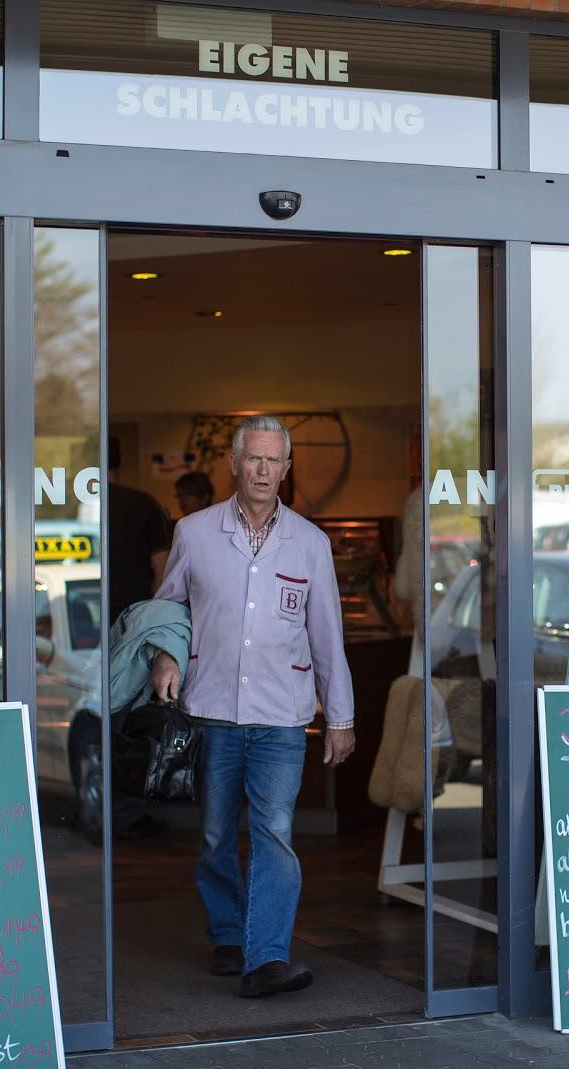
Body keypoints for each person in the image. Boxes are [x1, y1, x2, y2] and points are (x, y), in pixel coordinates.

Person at [150, 414, 355, 998]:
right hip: (212, 708)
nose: (264, 471)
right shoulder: (193, 532)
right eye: (254, 460)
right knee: (215, 835)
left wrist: (340, 718)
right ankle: (227, 936)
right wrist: (166, 657)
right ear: (236, 465)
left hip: (282, 715)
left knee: (274, 833)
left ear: (287, 470)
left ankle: (266, 956)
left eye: (275, 461)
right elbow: (169, 610)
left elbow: (327, 638)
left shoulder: (312, 544)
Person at [108, 436, 173, 626]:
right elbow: (163, 566)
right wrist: (155, 616)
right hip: (134, 614)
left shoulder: (78, 503)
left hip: (83, 613)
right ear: (119, 461)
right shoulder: (144, 503)